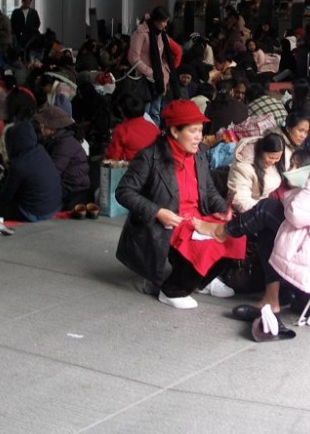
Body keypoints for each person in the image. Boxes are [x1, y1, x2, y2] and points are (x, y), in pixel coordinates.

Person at [193, 114, 310, 331]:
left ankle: (226, 235)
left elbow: (298, 215)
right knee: (268, 219)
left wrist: (290, 196)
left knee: (267, 210)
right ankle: (272, 298)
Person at [115, 100, 246, 309]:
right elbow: (124, 191)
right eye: (193, 131)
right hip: (168, 221)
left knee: (236, 234)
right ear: (175, 131)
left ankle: (201, 281)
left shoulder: (199, 153)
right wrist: (157, 211)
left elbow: (209, 190)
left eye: (200, 131)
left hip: (196, 216)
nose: (198, 137)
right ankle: (172, 290)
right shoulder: (150, 156)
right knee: (203, 245)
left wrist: (223, 210)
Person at [0, 118, 62, 223]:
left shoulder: (19, 165)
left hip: (33, 212)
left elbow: (5, 197)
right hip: (52, 207)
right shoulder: (40, 151)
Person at [127, 6, 181, 123]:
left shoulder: (161, 34)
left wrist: (165, 70)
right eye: (163, 22)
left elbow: (175, 52)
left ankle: (155, 134)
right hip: (144, 81)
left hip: (159, 81)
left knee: (155, 113)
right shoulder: (141, 33)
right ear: (156, 20)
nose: (165, 25)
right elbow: (133, 57)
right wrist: (150, 72)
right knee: (145, 113)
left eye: (166, 22)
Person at [34, 105, 90, 210]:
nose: (41, 128)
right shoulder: (56, 139)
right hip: (69, 185)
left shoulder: (64, 144)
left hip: (73, 189)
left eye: (43, 125)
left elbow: (53, 172)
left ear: (52, 128)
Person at [226, 132, 286, 213]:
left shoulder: (276, 163)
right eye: (271, 157)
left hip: (265, 204)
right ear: (261, 151)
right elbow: (241, 201)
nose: (273, 162)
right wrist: (266, 209)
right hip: (249, 210)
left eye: (277, 158)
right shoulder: (243, 168)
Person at [106, 93, 160, 162]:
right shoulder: (154, 128)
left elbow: (113, 157)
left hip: (131, 166)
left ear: (122, 112)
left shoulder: (122, 130)